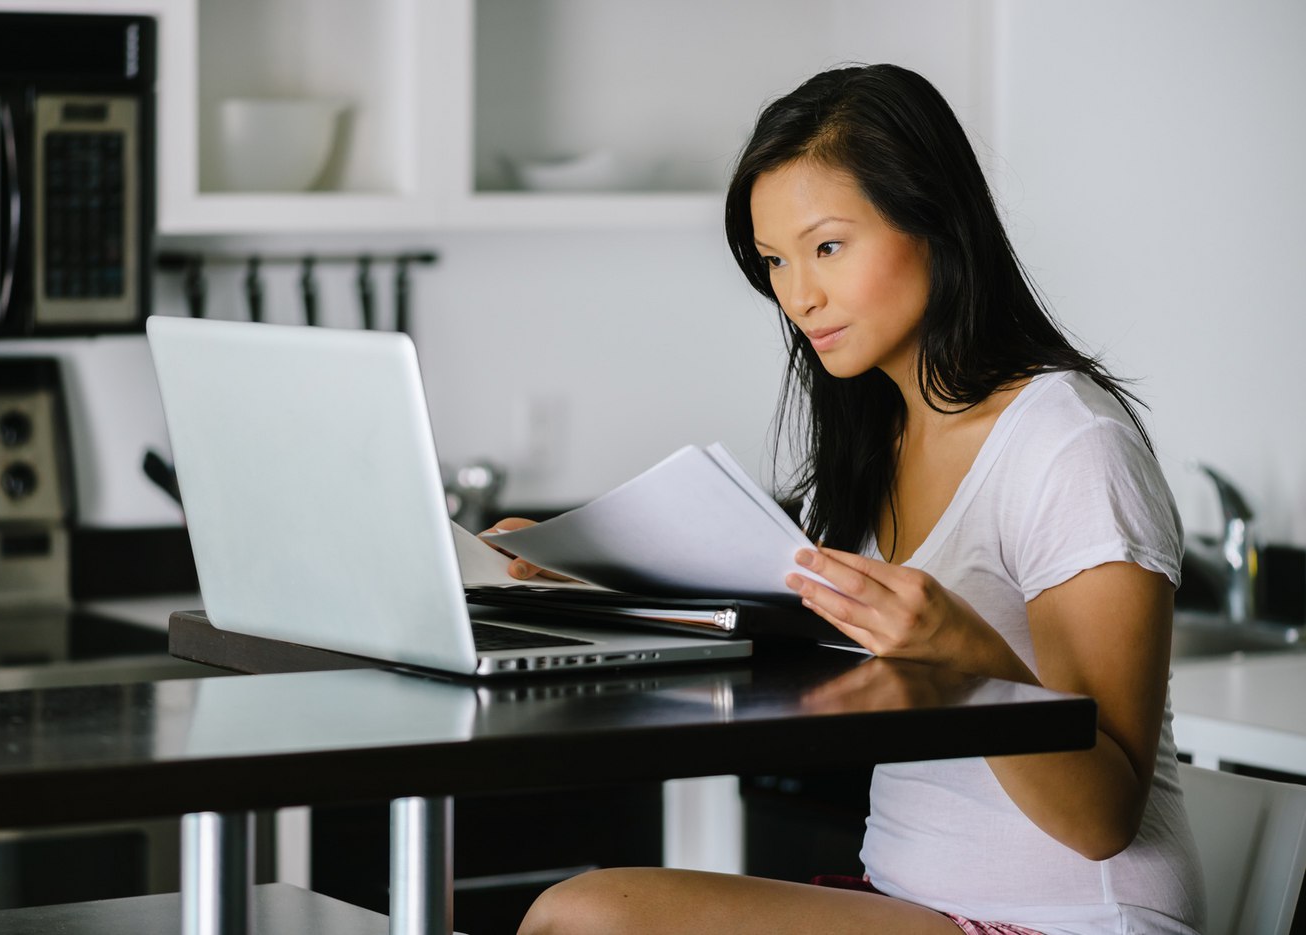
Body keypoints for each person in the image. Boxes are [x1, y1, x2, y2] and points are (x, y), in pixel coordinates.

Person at [507, 64, 1206, 935]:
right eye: (774, 261)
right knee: (576, 909)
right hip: (909, 899)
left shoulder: (1071, 445)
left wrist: (967, 664)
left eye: (827, 246)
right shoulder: (877, 435)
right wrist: (586, 566)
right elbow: (774, 621)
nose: (799, 294)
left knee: (585, 918)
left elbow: (1103, 818)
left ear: (935, 221)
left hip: (1070, 919)